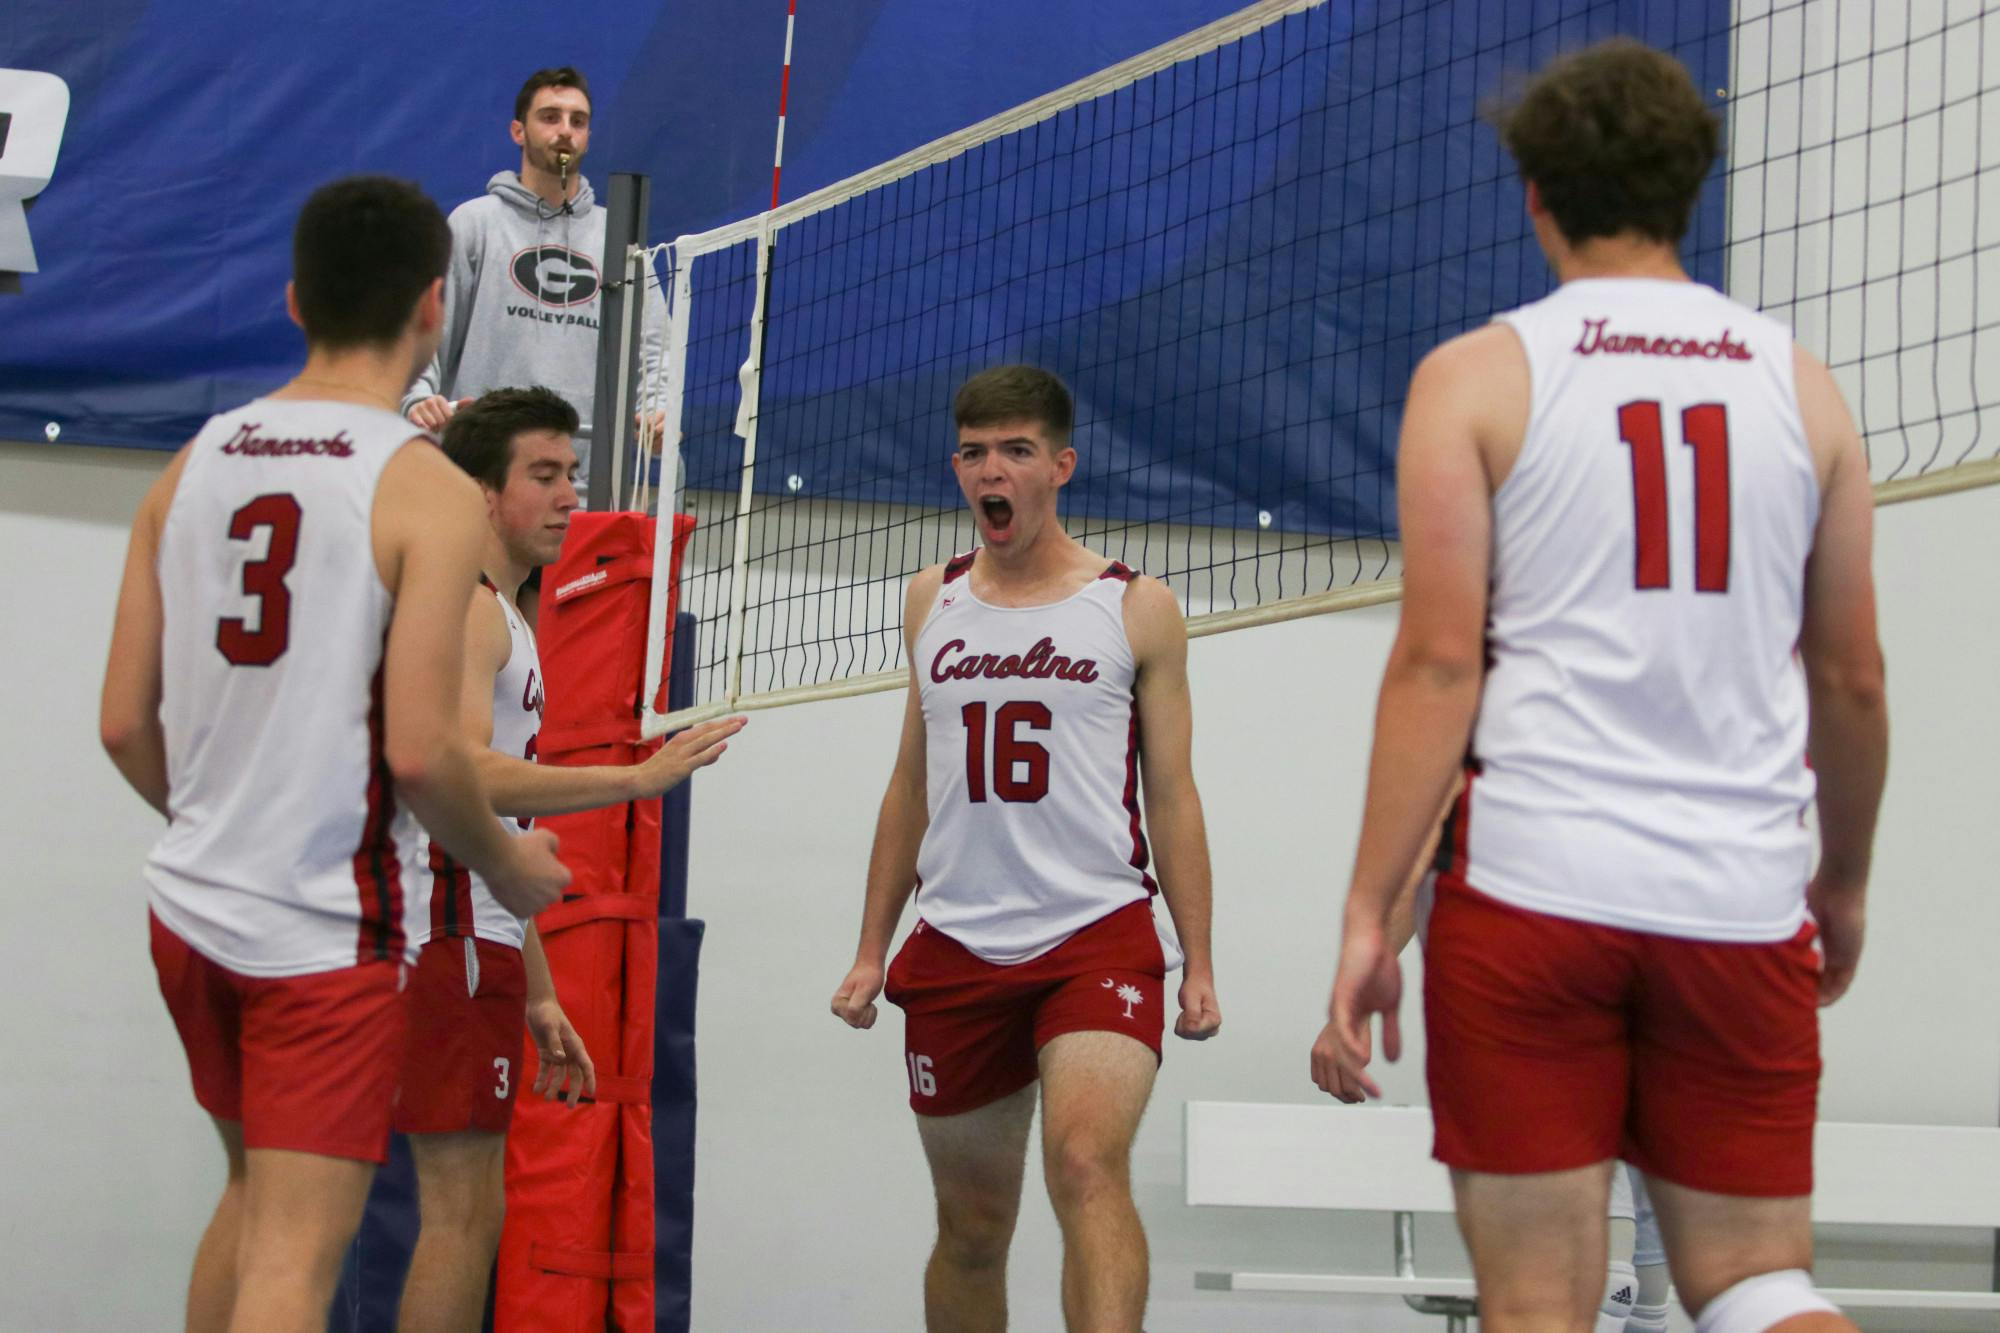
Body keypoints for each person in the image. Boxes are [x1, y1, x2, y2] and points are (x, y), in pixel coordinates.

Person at [1313, 38, 1887, 1333]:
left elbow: (1440, 660)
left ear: (1534, 195)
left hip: (1533, 895)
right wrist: (1840, 883)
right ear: (1696, 182)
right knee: (1758, 1286)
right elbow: (1850, 676)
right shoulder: (1807, 389)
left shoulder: (1476, 377)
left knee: (1538, 1305)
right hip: (1736, 900)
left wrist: (1367, 911)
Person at [99, 176, 570, 1333]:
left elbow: (122, 721)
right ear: (429, 308)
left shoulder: (196, 460)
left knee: (254, 1195)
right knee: (297, 1261)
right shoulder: (422, 487)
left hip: (190, 903)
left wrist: (220, 823)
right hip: (322, 927)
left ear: (294, 297)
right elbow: (421, 752)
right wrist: (508, 871)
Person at [829, 365, 1222, 1333]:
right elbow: (910, 783)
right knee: (971, 1223)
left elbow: (1170, 793)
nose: (988, 471)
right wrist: (869, 948)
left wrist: (1198, 960)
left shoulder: (1134, 606)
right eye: (971, 452)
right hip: (958, 940)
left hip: (1095, 931)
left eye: (1012, 451)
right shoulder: (932, 600)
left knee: (1085, 1165)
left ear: (1060, 465)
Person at [392, 385, 745, 1329]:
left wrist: (541, 989)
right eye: (542, 475)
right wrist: (633, 782)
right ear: (478, 492)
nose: (566, 496)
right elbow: (460, 770)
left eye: (572, 474)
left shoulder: (510, 618)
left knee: (476, 1210)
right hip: (446, 932)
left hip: (481, 933)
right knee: (461, 1214)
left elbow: (495, 839)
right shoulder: (469, 609)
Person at [402, 66, 665, 503]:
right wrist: (416, 398)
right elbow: (429, 328)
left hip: (585, 488)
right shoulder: (475, 224)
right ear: (518, 131)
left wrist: (658, 413)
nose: (565, 131)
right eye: (550, 117)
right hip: (481, 478)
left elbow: (653, 347)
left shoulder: (618, 238)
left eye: (577, 121)